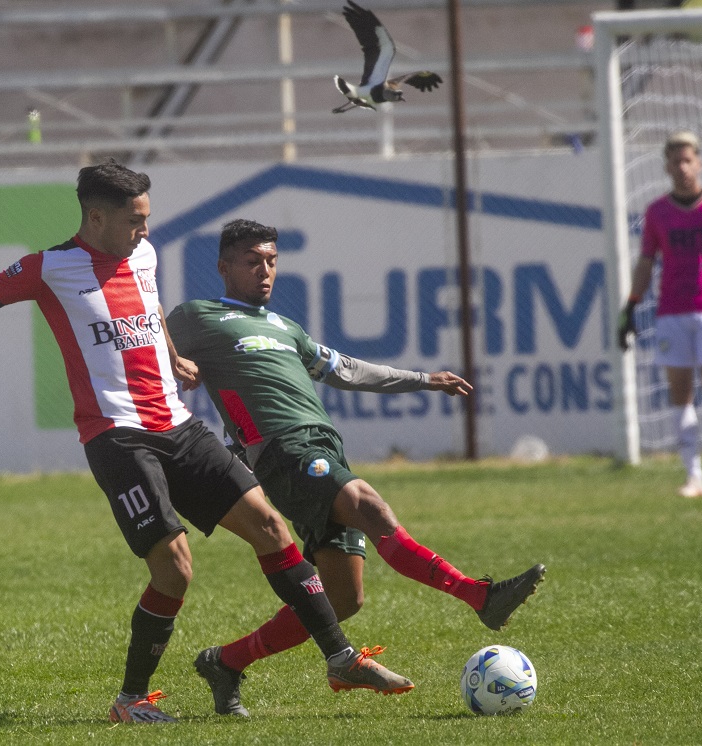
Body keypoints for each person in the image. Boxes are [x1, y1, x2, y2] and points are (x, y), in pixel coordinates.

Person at [0, 162, 408, 725]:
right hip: (117, 436)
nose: (146, 231)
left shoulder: (143, 255)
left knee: (271, 529)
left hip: (178, 425)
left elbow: (147, 299)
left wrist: (169, 352)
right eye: (136, 220)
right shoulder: (49, 268)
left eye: (147, 218)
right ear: (96, 218)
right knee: (174, 570)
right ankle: (132, 699)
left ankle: (341, 658)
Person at [166, 218, 547, 718]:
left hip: (324, 448)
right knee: (370, 505)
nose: (265, 271)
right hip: (284, 453)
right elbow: (142, 338)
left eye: (272, 261)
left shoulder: (285, 328)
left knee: (343, 599)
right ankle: (479, 596)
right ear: (223, 268)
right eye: (252, 261)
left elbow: (344, 369)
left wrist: (423, 379)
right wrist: (174, 359)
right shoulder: (198, 316)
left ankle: (226, 662)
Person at [618, 130, 702, 498]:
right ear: (667, 167)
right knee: (680, 393)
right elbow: (645, 261)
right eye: (676, 161)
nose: (683, 167)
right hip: (671, 312)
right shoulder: (657, 212)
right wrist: (631, 305)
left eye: (688, 160)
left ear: (699, 162)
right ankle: (693, 475)